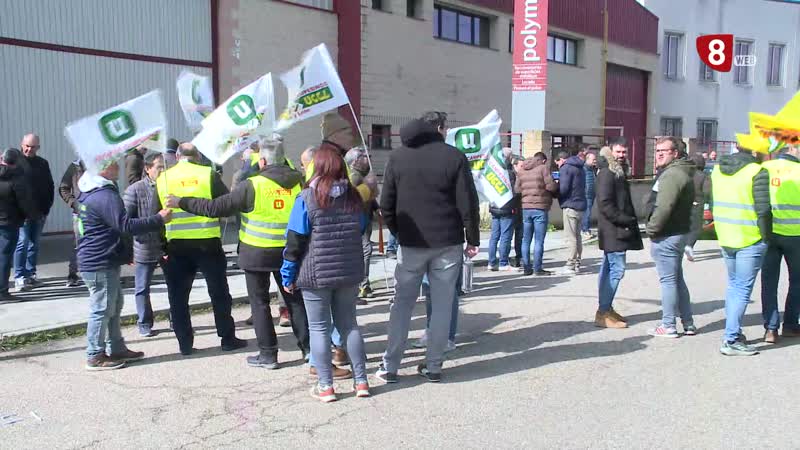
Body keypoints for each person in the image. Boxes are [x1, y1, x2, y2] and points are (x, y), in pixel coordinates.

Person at [166, 138, 311, 368]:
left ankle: (268, 355)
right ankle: (309, 350)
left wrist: (181, 201)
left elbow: (214, 208)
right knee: (295, 301)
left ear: (262, 161)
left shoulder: (252, 185)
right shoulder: (299, 183)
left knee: (260, 303)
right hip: (290, 252)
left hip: (257, 254)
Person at [377, 112, 480, 384]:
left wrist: (399, 232)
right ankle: (434, 365)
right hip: (448, 241)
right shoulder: (454, 157)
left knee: (401, 304)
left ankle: (390, 366)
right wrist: (473, 238)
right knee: (443, 304)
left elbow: (386, 204)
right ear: (439, 129)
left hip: (411, 243)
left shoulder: (398, 157)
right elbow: (467, 201)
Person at [281, 146, 370, 402]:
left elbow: (295, 241)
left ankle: (326, 386)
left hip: (315, 274)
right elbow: (360, 228)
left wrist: (288, 275)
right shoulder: (354, 197)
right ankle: (361, 381)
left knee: (319, 329)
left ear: (316, 168)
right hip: (348, 271)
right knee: (349, 325)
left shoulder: (306, 198)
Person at [152, 143, 247, 356]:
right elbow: (226, 205)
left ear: (177, 157)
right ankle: (227, 338)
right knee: (219, 293)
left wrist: (160, 248)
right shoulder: (207, 174)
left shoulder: (163, 178)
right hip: (207, 243)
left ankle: (184, 344)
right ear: (197, 157)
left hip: (176, 245)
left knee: (178, 297)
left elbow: (155, 217)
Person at [77, 159, 172, 370]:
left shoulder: (92, 191)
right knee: (102, 308)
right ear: (102, 168)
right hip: (99, 260)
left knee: (114, 305)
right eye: (113, 163)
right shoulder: (103, 195)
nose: (118, 166)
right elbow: (125, 225)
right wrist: (158, 219)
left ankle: (117, 347)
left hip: (102, 258)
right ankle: (95, 354)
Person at [711, 147, 771, 355]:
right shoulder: (757, 171)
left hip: (726, 235)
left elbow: (713, 199)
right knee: (742, 289)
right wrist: (766, 237)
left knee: (734, 286)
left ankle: (733, 332)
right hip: (749, 237)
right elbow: (764, 210)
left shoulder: (718, 169)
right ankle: (731, 339)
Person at [646, 136, 696, 338]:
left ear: (675, 153)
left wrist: (651, 229)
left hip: (667, 233)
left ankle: (668, 325)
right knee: (677, 280)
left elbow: (664, 206)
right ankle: (688, 323)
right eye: (657, 150)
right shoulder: (680, 171)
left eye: (664, 151)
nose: (659, 154)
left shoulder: (672, 174)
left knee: (668, 281)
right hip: (678, 232)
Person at [594, 140, 643, 328]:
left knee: (608, 270)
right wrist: (626, 220)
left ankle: (606, 308)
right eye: (618, 151)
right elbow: (605, 204)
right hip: (614, 231)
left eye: (624, 152)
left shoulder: (617, 171)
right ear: (610, 151)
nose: (622, 155)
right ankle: (603, 312)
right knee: (616, 271)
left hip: (616, 230)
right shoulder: (608, 173)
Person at [123, 152, 167, 337]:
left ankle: (177, 320)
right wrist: (128, 252)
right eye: (159, 167)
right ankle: (144, 323)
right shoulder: (135, 190)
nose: (163, 171)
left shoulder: (170, 186)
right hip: (144, 246)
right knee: (142, 288)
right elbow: (125, 223)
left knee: (176, 285)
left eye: (165, 167)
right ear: (147, 169)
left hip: (167, 245)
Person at [761, 144, 800, 342]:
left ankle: (771, 328)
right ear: (793, 148)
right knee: (797, 282)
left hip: (769, 235)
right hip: (796, 235)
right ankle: (791, 325)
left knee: (769, 282)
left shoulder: (765, 168)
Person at [14, 134, 53, 292]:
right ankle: (19, 277)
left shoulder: (43, 163)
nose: (29, 149)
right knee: (22, 243)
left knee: (34, 244)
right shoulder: (15, 162)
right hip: (21, 213)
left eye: (33, 147)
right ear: (22, 144)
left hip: (39, 212)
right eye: (27, 146)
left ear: (38, 147)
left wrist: (47, 207)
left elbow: (49, 185)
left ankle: (31, 274)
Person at [0, 149, 39, 301]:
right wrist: (33, 216)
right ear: (16, 161)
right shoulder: (16, 178)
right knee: (4, 257)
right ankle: (2, 291)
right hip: (9, 223)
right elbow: (25, 203)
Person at [345, 146, 380, 301]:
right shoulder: (354, 177)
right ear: (355, 161)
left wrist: (376, 207)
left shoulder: (363, 175)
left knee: (365, 250)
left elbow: (370, 196)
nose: (369, 159)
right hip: (357, 219)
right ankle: (362, 285)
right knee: (365, 250)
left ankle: (363, 284)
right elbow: (353, 198)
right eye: (365, 157)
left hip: (365, 217)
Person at [515, 151, 558, 276]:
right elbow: (551, 187)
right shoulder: (543, 169)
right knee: (539, 240)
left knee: (526, 239)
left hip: (526, 208)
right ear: (542, 160)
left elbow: (517, 189)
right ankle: (537, 268)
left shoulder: (521, 170)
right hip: (540, 207)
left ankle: (526, 268)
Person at [558, 146, 587, 275]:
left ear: (562, 159)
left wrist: (556, 192)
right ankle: (577, 263)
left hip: (570, 205)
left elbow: (563, 189)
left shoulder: (566, 168)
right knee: (577, 236)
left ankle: (570, 264)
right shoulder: (581, 167)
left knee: (571, 237)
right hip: (581, 204)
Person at [487, 148, 517, 272]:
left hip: (494, 207)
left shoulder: (492, 170)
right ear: (509, 158)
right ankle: (503, 262)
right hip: (507, 208)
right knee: (505, 236)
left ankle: (491, 262)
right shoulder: (509, 172)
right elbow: (515, 191)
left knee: (494, 236)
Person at [59, 158, 86, 287]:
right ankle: (72, 274)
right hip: (80, 213)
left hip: (99, 211)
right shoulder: (75, 166)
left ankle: (98, 273)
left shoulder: (101, 163)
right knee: (78, 243)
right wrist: (74, 203)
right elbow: (63, 188)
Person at [684, 153, 711, 261]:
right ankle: (689, 245)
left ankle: (682, 245)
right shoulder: (703, 176)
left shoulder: (684, 173)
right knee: (696, 227)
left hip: (683, 202)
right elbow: (707, 191)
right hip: (697, 203)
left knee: (684, 226)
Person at [510, 155, 524, 267]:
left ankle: (519, 256)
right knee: (508, 234)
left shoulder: (523, 175)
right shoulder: (511, 175)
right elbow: (514, 192)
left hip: (520, 208)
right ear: (515, 165)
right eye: (521, 166)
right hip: (512, 208)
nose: (523, 168)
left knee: (520, 234)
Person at [582, 151, 598, 239]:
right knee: (587, 213)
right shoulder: (584, 169)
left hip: (592, 194)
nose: (595, 161)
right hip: (586, 194)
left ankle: (586, 229)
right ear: (587, 159)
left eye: (595, 159)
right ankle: (585, 230)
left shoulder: (593, 169)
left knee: (588, 212)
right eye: (593, 159)